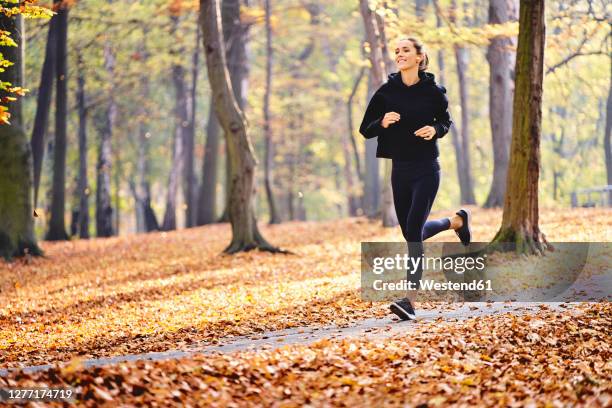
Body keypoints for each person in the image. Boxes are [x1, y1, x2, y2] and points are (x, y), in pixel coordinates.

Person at [359, 36, 472, 321]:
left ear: (420, 57)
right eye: (396, 51)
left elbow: (445, 121)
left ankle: (410, 300)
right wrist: (382, 122)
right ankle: (455, 221)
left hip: (426, 169)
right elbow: (365, 128)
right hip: (400, 170)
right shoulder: (386, 92)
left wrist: (435, 129)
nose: (399, 55)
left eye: (405, 50)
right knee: (412, 232)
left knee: (413, 235)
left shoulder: (434, 92)